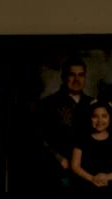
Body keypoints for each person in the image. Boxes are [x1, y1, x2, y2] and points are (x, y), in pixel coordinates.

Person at [36, 56, 94, 191]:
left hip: (89, 171)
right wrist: (58, 158)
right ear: (63, 77)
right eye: (72, 75)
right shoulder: (48, 104)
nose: (76, 79)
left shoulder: (93, 104)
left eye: (81, 75)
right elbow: (39, 138)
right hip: (60, 170)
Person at [71, 100, 112, 195]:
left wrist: (107, 177)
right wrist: (92, 178)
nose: (100, 121)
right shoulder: (82, 140)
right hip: (87, 186)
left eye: (104, 116)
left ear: (110, 118)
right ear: (90, 118)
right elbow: (75, 166)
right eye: (95, 116)